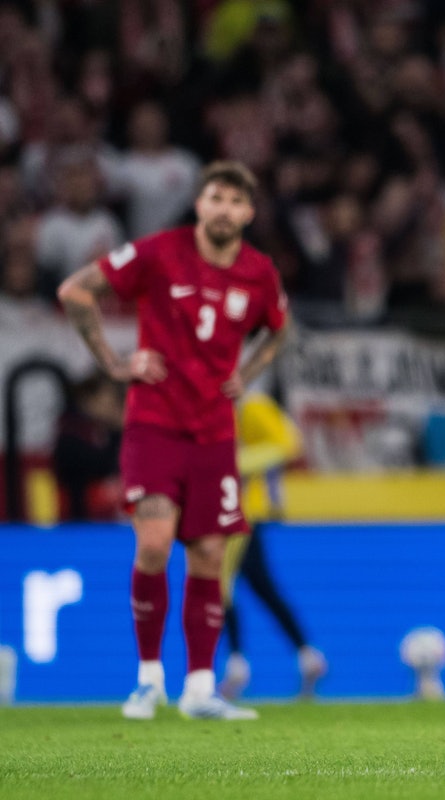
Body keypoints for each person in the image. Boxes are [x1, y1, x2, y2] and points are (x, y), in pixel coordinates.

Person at [56, 160, 290, 721]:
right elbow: (74, 292)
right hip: (154, 424)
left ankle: (201, 689)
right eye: (216, 197)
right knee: (156, 543)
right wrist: (114, 362)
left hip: (214, 433)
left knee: (210, 554)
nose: (225, 209)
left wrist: (249, 373)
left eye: (236, 201)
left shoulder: (259, 272)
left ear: (249, 213)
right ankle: (148, 680)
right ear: (200, 203)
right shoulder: (159, 252)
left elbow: (280, 330)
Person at [218, 391, 328, 700]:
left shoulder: (251, 406)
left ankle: (237, 665)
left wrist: (236, 462)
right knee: (262, 587)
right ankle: (308, 655)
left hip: (239, 514)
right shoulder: (230, 409)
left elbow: (289, 443)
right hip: (244, 513)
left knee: (221, 585)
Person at [52, 370, 125, 521]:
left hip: (110, 521)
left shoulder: (107, 431)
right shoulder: (72, 431)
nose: (117, 404)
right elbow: (102, 466)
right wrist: (119, 428)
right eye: (114, 397)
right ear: (89, 398)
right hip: (79, 522)